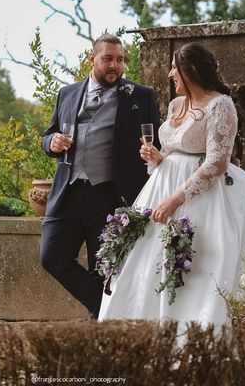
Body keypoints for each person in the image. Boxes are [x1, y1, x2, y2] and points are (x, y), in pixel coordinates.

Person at [98, 42, 245, 329]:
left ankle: (188, 334)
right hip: (160, 186)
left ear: (190, 71)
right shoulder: (177, 104)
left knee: (196, 266)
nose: (170, 74)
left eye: (175, 68)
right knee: (142, 263)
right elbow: (175, 151)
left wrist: (175, 200)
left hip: (200, 197)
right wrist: (156, 157)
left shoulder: (221, 105)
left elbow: (217, 162)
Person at [40, 33, 161, 319]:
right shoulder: (67, 93)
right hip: (67, 192)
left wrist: (153, 154)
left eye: (120, 60)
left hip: (109, 196)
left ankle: (106, 325)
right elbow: (48, 135)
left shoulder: (140, 96)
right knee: (52, 257)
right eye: (108, 59)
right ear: (92, 59)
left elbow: (158, 139)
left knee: (103, 269)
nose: (115, 66)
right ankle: (105, 311)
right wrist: (52, 142)